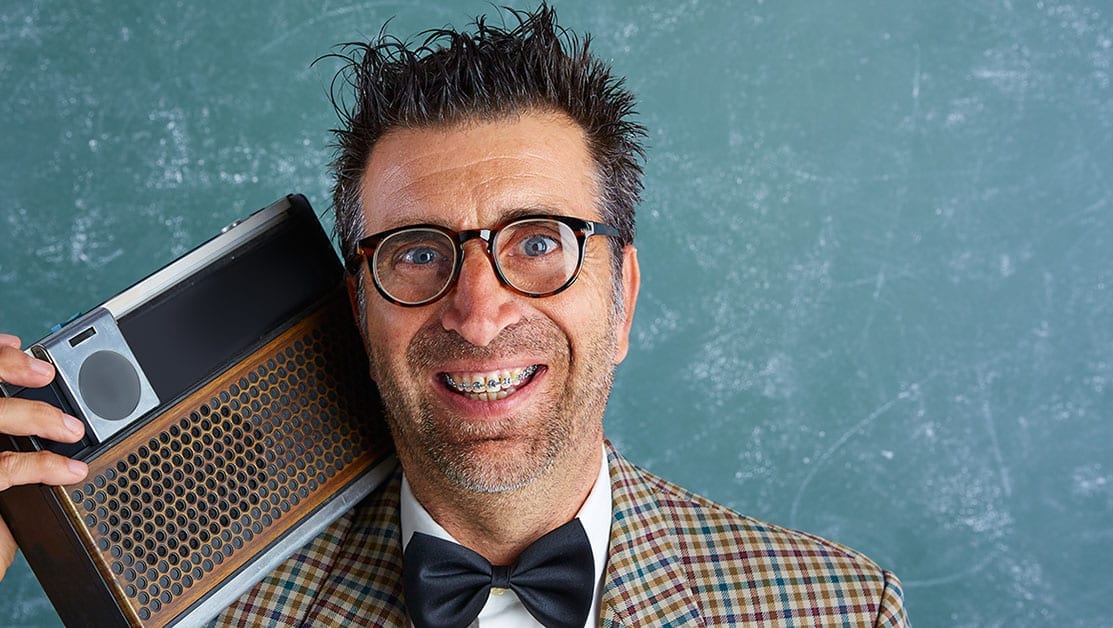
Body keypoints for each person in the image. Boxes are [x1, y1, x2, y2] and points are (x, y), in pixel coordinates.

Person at [0, 5, 908, 626]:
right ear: (358, 311)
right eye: (419, 253)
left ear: (622, 297)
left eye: (540, 242)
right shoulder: (197, 615)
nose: (478, 313)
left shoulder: (837, 606)